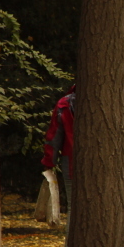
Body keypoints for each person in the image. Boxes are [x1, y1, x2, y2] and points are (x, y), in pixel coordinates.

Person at [41, 84, 76, 215]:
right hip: (103, 165)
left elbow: (54, 135)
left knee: (74, 207)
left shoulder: (65, 104)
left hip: (71, 161)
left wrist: (49, 162)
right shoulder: (106, 102)